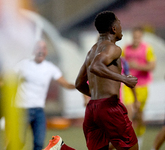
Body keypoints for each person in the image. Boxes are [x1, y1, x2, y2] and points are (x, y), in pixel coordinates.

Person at [44, 11, 139, 150]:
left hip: (93, 109)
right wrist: (124, 79)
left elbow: (79, 83)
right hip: (110, 107)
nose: (121, 27)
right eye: (119, 23)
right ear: (113, 28)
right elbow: (96, 66)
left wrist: (96, 97)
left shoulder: (91, 51)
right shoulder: (113, 48)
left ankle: (61, 148)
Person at [14, 40, 75, 150]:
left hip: (39, 111)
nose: (41, 50)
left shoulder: (50, 67)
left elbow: (65, 83)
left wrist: (79, 85)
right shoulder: (23, 65)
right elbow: (7, 80)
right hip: (22, 109)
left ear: (46, 51)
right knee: (18, 142)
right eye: (38, 48)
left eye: (44, 48)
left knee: (39, 143)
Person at [121, 26, 156, 145]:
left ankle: (139, 137)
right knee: (128, 111)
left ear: (141, 37)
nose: (136, 39)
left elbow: (152, 66)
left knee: (140, 114)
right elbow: (119, 63)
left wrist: (138, 66)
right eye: (134, 37)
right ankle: (128, 140)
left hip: (142, 86)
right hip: (128, 85)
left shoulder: (147, 49)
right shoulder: (126, 49)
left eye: (138, 37)